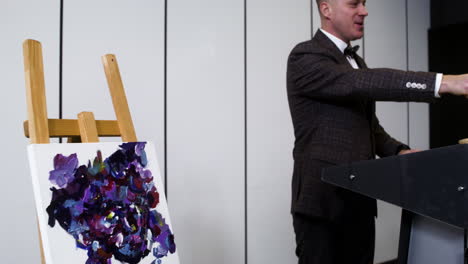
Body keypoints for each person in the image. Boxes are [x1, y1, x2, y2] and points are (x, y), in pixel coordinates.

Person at [286, 0, 468, 263]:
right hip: (322, 204)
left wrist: (400, 151)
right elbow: (363, 82)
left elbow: (369, 127)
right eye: (353, 4)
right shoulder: (305, 56)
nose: (364, 11)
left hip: (360, 199)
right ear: (326, 9)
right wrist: (446, 83)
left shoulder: (356, 61)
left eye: (364, 3)